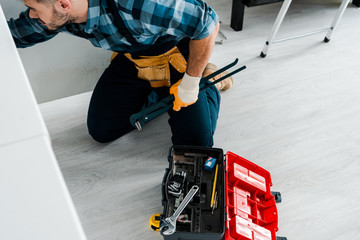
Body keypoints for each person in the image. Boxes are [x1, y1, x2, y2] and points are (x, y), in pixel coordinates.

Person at [7, 0, 233, 147]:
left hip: (178, 57)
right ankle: (163, 94)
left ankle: (209, 80)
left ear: (64, 4)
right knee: (102, 130)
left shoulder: (140, 4)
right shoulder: (62, 14)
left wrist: (191, 83)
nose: (30, 15)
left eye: (34, 9)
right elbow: (17, 33)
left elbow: (208, 22)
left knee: (195, 148)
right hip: (133, 60)